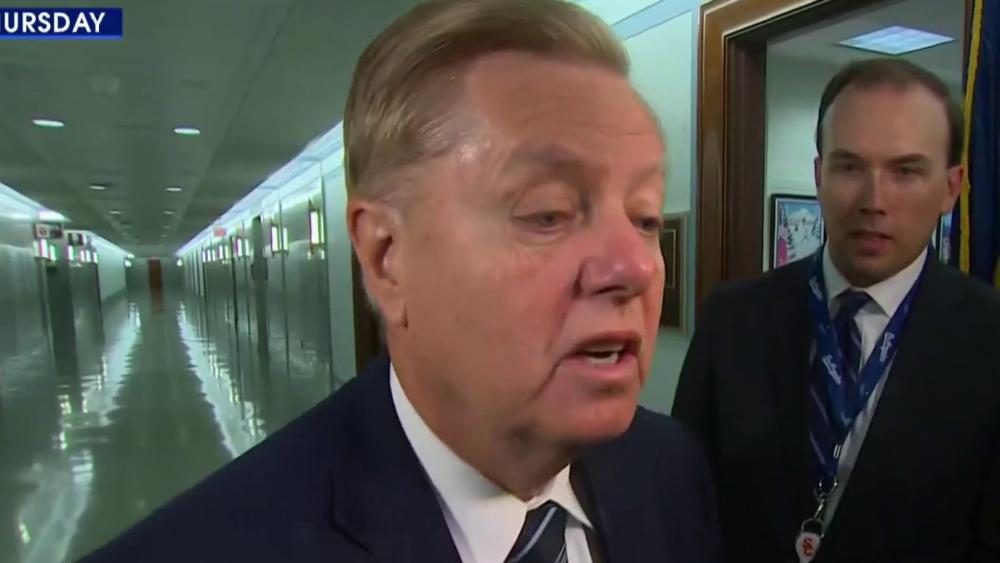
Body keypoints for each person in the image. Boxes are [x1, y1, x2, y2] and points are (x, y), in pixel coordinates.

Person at [80, 1, 721, 561]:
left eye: (644, 217)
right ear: (387, 257)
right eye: (547, 213)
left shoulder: (669, 471)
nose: (635, 267)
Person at [673, 57, 1000, 563]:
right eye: (849, 166)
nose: (874, 200)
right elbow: (683, 501)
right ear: (819, 175)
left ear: (950, 189)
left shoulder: (989, 337)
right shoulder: (732, 318)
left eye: (906, 171)